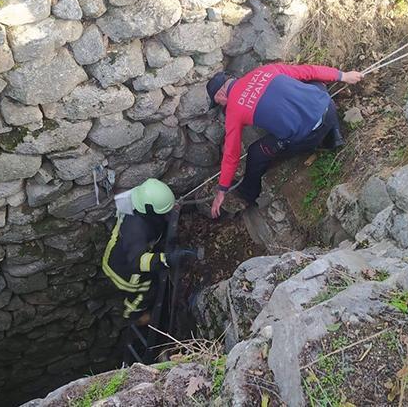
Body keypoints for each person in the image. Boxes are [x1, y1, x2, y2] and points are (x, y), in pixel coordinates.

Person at [207, 64, 364, 218]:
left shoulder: (234, 109)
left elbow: (231, 153)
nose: (221, 106)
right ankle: (334, 135)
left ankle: (247, 194)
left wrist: (222, 190)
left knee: (256, 152)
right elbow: (309, 71)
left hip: (308, 136)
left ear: (220, 95)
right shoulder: (264, 70)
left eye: (219, 102)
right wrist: (343, 76)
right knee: (314, 83)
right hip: (328, 109)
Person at [102, 178, 196, 325]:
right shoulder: (136, 231)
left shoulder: (136, 200)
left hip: (116, 254)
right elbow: (137, 261)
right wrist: (167, 259)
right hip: (123, 271)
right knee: (148, 289)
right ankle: (133, 315)